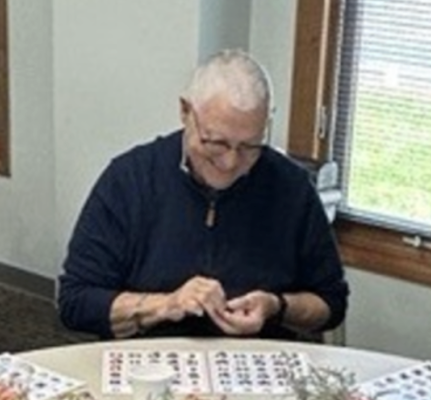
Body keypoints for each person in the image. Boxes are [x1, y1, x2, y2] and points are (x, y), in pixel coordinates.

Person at [56, 49, 348, 341]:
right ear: (185, 112)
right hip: (150, 367)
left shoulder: (291, 187)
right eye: (216, 142)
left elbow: (331, 303)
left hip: (255, 364)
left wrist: (277, 306)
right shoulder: (129, 179)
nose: (231, 163)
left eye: (250, 146)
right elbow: (75, 302)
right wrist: (165, 305)